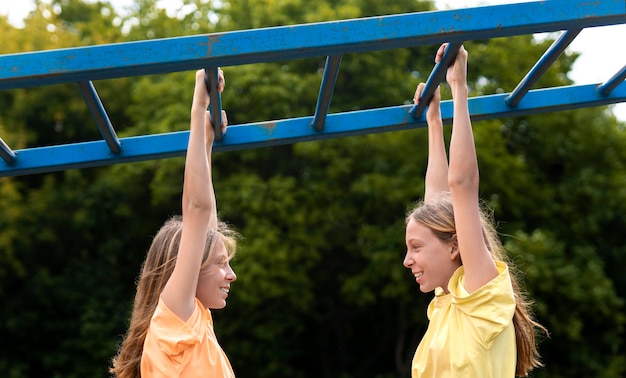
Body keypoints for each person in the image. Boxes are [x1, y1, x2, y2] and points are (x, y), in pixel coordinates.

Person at [403, 44, 547, 377]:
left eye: (416, 247)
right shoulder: (448, 303)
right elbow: (437, 205)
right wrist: (434, 122)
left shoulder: (480, 296)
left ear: (455, 245)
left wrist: (458, 86)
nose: (407, 260)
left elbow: (462, 187)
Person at [110, 68, 239, 378]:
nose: (231, 275)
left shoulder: (191, 324)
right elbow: (196, 208)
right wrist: (198, 107)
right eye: (221, 263)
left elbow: (206, 220)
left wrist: (206, 142)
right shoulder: (173, 320)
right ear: (185, 267)